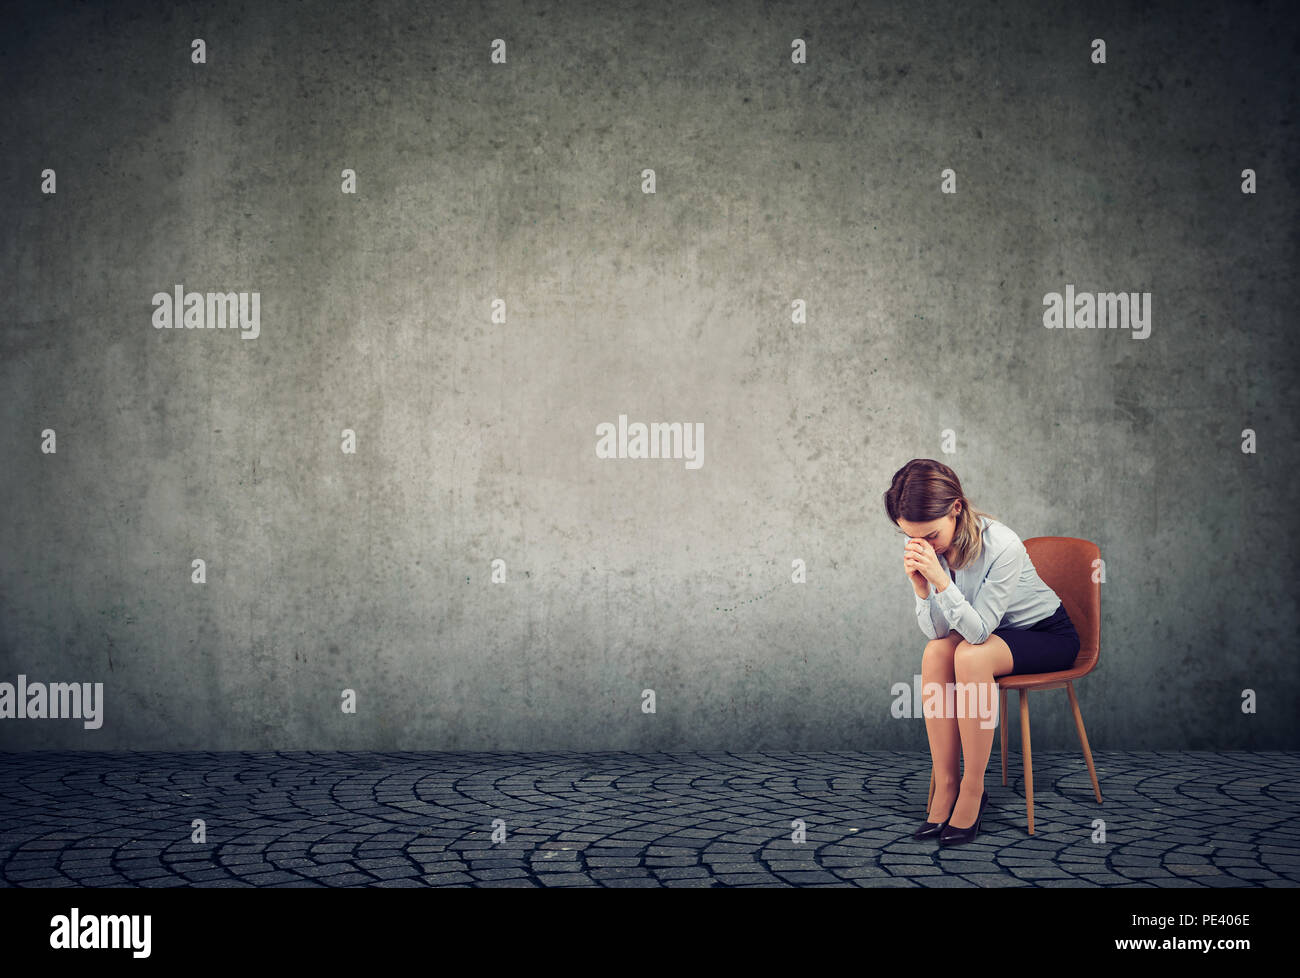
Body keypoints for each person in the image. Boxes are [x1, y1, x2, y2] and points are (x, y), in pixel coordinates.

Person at [883, 459, 1081, 846]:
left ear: (956, 508)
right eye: (912, 539)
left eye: (931, 536)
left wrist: (940, 580)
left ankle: (974, 790)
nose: (925, 546)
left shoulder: (1002, 544)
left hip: (1047, 635)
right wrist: (922, 590)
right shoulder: (932, 546)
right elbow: (939, 632)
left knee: (970, 657)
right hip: (994, 634)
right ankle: (947, 785)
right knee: (935, 654)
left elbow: (976, 634)